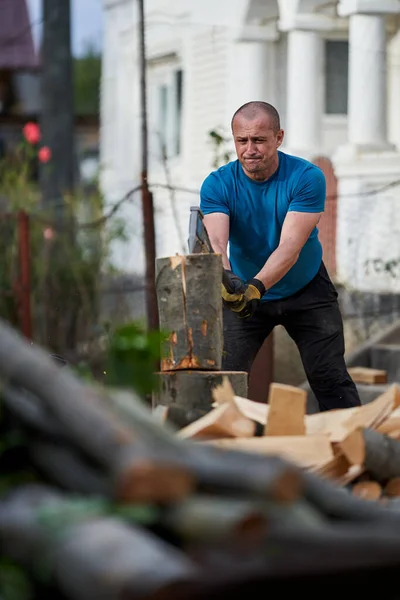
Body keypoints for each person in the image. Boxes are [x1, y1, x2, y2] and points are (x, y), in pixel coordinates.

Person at [199, 101, 360, 412]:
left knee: (330, 379)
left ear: (278, 137)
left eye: (259, 140)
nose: (249, 150)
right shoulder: (217, 184)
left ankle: (357, 451)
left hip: (306, 288)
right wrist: (229, 280)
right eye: (241, 141)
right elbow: (217, 243)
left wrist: (256, 288)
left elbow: (290, 245)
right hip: (243, 291)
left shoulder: (306, 177)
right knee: (221, 382)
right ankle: (216, 449)